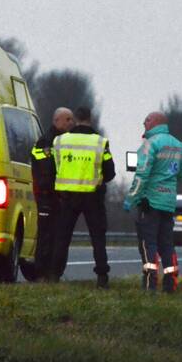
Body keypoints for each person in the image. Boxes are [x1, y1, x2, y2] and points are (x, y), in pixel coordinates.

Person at [49, 106, 115, 287]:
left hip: (68, 196)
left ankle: (54, 275)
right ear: (90, 118)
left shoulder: (60, 141)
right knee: (97, 238)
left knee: (62, 237)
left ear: (75, 119)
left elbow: (56, 167)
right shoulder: (100, 142)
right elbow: (110, 173)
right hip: (92, 196)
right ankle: (102, 277)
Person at [123, 111, 182, 293]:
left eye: (146, 120)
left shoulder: (150, 144)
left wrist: (131, 199)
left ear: (154, 122)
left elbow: (142, 175)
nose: (144, 123)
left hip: (149, 202)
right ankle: (170, 283)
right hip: (168, 203)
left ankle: (150, 282)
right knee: (167, 244)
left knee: (147, 242)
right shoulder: (179, 146)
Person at [30, 107, 74, 280]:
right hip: (48, 196)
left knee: (60, 236)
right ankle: (42, 271)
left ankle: (55, 272)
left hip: (62, 197)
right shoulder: (46, 142)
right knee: (46, 235)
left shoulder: (67, 140)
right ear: (56, 121)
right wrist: (49, 190)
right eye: (67, 119)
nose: (71, 123)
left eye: (72, 119)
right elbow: (45, 169)